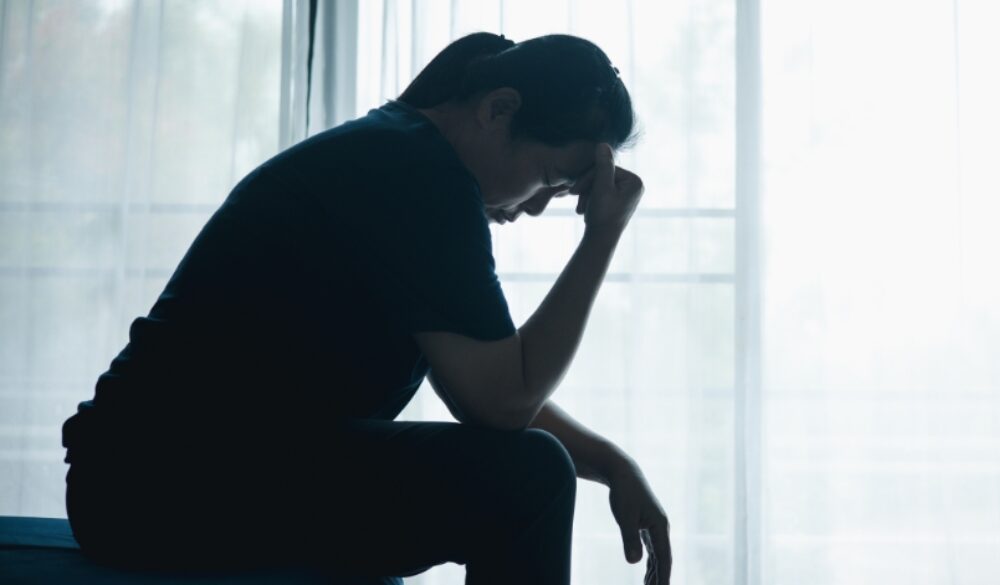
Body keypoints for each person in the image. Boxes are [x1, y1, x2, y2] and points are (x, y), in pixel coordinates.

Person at [60, 32, 671, 585]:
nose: (536, 208)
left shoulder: (404, 152)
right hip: (157, 484)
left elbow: (488, 380)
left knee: (530, 471)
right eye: (548, 179)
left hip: (166, 474)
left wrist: (612, 464)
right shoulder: (420, 178)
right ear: (498, 110)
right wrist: (603, 235)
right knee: (531, 479)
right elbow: (503, 403)